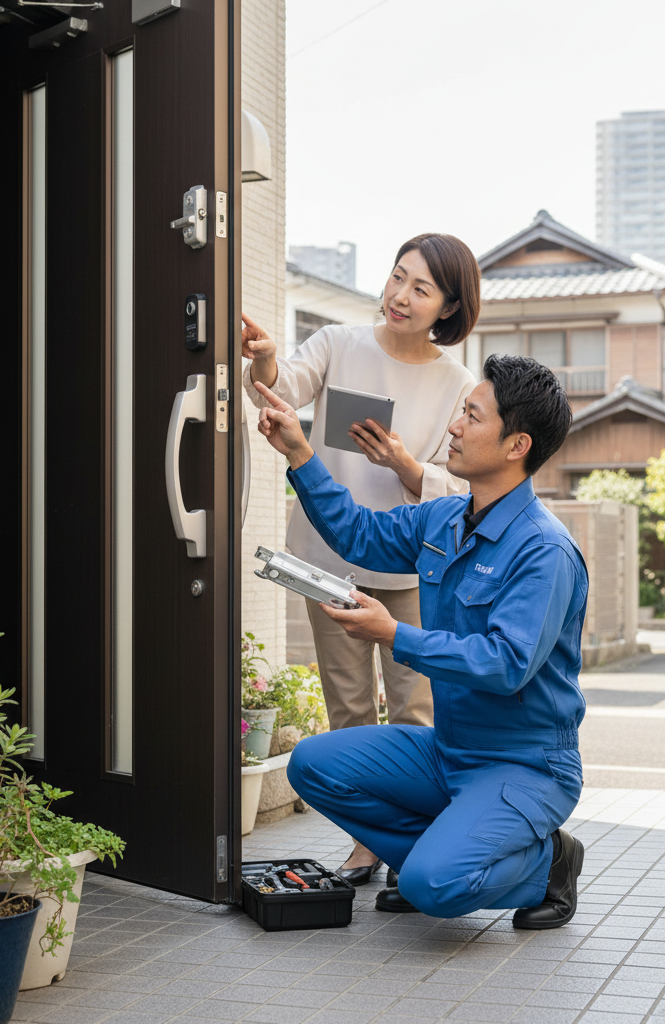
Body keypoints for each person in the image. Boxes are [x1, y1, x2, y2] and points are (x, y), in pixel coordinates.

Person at [252, 353, 587, 925]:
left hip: (525, 767)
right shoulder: (445, 519)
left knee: (435, 889)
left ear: (516, 445)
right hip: (449, 751)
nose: (455, 426)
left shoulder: (544, 551)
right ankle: (439, 851)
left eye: (472, 417)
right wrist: (300, 452)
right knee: (310, 764)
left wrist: (395, 634)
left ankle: (548, 862)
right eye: (462, 412)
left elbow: (507, 663)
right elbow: (357, 534)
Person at [242, 234, 479, 886]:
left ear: (448, 306)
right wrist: (263, 363)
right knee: (348, 714)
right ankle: (365, 845)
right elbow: (279, 388)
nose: (401, 296)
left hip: (410, 571)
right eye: (398, 277)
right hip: (331, 565)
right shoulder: (339, 344)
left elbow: (463, 488)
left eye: (421, 288)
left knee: (416, 714)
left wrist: (404, 465)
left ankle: (420, 845)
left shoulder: (459, 384)